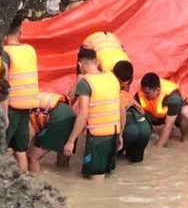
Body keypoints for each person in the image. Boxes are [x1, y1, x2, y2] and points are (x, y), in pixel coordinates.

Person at [63, 48, 124, 180]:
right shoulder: (112, 77)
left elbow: (83, 114)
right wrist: (120, 134)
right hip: (114, 134)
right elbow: (121, 109)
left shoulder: (85, 83)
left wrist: (71, 141)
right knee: (106, 175)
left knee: (95, 180)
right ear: (97, 62)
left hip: (98, 138)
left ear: (80, 65)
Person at [0, 12, 39, 172]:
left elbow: (4, 85)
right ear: (20, 30)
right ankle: (25, 183)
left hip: (12, 108)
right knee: (21, 151)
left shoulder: (5, 53)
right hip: (27, 106)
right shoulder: (30, 50)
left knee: (1, 150)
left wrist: (3, 113)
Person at [135, 73, 188, 148]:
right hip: (154, 115)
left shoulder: (173, 98)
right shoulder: (140, 93)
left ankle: (185, 140)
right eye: (143, 92)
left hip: (173, 115)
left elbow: (168, 125)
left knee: (187, 113)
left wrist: (159, 147)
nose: (144, 95)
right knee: (135, 112)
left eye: (147, 93)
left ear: (157, 90)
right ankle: (151, 134)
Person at [27, 91, 76, 173]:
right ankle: (64, 179)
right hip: (71, 116)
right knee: (63, 153)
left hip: (58, 120)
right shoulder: (29, 96)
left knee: (33, 157)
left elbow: (29, 135)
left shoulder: (18, 108)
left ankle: (35, 182)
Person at [112, 60, 152, 163]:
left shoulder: (109, 85)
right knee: (135, 162)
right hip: (144, 125)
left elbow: (121, 112)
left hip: (129, 127)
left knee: (113, 158)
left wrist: (119, 134)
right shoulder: (129, 94)